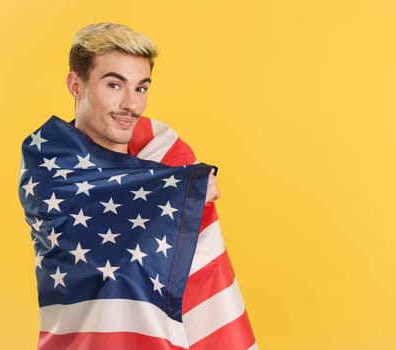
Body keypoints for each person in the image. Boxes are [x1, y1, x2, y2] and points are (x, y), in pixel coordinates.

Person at [19, 23, 256, 350]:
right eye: (114, 85)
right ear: (76, 85)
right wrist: (186, 186)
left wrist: (181, 185)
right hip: (79, 341)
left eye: (141, 88)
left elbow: (192, 266)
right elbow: (80, 225)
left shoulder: (164, 157)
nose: (131, 104)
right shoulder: (49, 161)